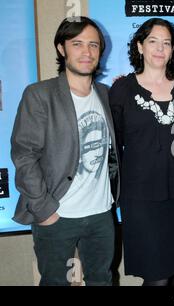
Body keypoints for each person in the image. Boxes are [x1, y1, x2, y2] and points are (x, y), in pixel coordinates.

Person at [11, 16, 119, 286]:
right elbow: (24, 155)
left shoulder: (107, 94)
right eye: (77, 43)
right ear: (62, 49)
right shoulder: (40, 95)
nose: (87, 52)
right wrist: (44, 209)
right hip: (58, 213)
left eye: (93, 45)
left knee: (102, 281)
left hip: (101, 214)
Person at [109, 18, 174, 286]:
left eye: (166, 43)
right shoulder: (122, 89)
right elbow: (115, 146)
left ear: (173, 49)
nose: (160, 49)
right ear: (139, 46)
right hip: (141, 197)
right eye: (152, 41)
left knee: (173, 271)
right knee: (156, 276)